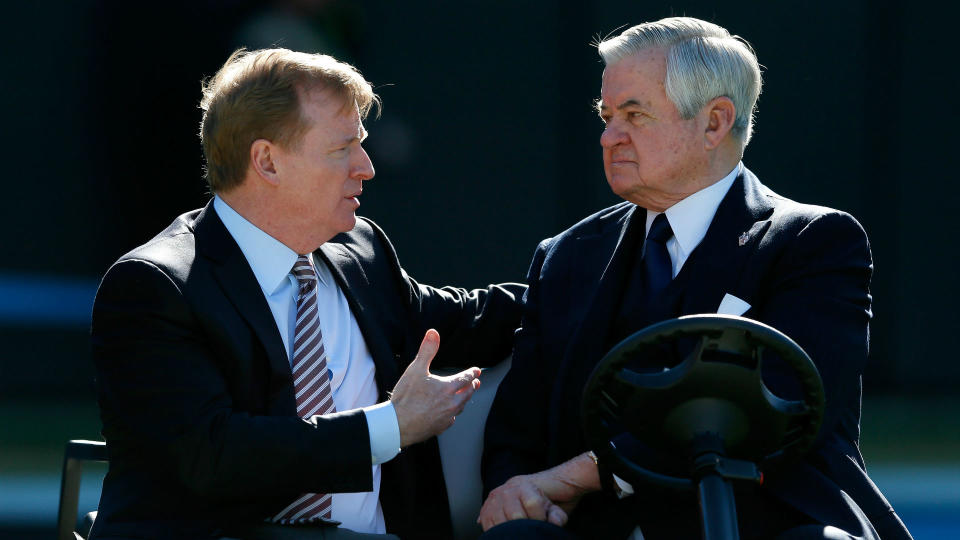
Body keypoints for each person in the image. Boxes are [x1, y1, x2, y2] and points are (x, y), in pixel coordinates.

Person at [480, 17, 911, 540]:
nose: (608, 136)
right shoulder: (568, 256)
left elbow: (773, 413)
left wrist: (574, 478)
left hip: (762, 525)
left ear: (714, 123)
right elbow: (516, 432)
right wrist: (516, 491)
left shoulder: (811, 244)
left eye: (634, 115)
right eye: (607, 114)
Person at [89, 48, 523, 540]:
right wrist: (390, 428)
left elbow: (474, 319)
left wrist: (595, 274)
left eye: (360, 144)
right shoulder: (156, 285)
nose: (366, 167)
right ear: (267, 161)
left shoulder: (361, 252)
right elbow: (211, 456)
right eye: (342, 149)